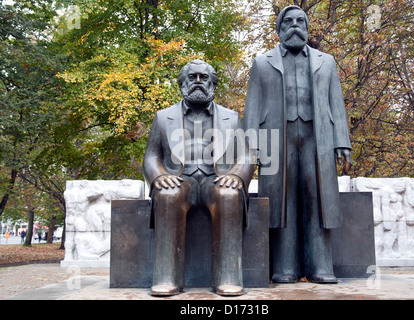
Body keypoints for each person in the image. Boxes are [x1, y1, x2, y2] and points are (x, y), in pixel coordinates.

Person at [244, 5, 352, 283]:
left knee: (319, 200)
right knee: (282, 202)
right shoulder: (261, 62)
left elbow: (336, 103)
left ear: (306, 27)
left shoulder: (326, 62)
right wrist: (249, 146)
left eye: (299, 21)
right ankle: (285, 267)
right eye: (288, 21)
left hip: (319, 138)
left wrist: (343, 141)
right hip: (274, 139)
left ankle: (321, 266)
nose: (294, 25)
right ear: (279, 29)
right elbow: (253, 107)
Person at [143, 59, 253, 296]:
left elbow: (246, 157)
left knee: (228, 194)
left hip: (216, 178)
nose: (198, 82)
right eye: (192, 77)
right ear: (182, 83)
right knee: (168, 194)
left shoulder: (231, 118)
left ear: (213, 83)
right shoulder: (163, 117)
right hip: (180, 180)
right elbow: (151, 157)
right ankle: (166, 278)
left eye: (204, 78)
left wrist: (236, 176)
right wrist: (159, 176)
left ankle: (228, 277)